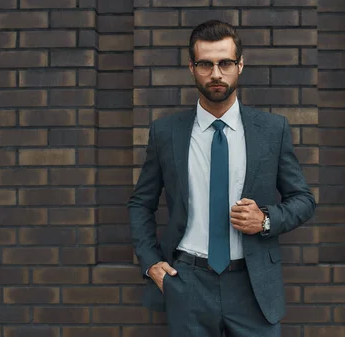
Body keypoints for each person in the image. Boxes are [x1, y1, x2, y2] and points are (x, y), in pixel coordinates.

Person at [128, 19, 316, 337]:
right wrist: (150, 262)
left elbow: (304, 200)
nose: (216, 74)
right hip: (187, 281)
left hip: (253, 284)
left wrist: (266, 220)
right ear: (192, 67)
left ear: (240, 65)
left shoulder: (272, 130)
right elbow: (140, 204)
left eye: (225, 63)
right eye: (206, 64)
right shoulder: (166, 133)